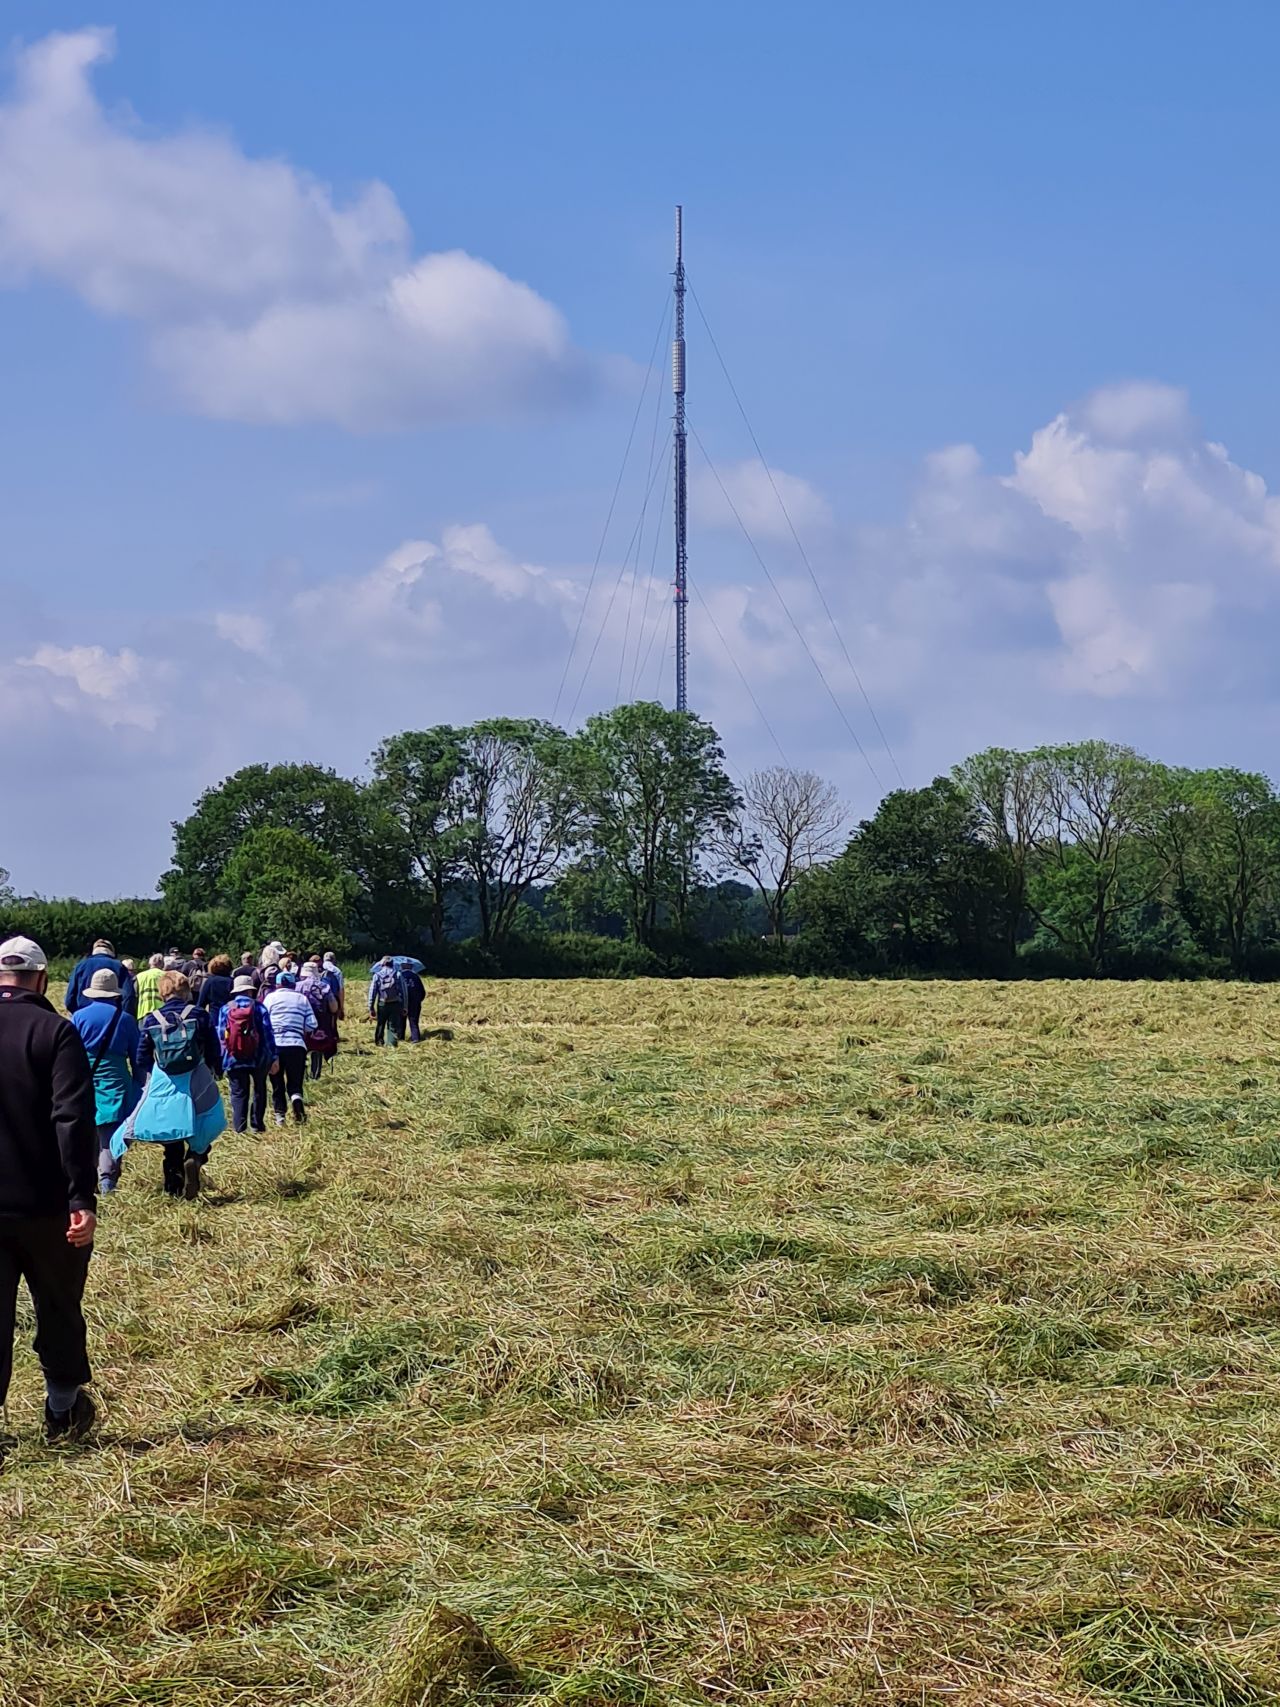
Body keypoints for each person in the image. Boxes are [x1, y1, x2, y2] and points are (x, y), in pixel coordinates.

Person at [0, 935, 98, 1442]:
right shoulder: (56, 1031)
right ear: (41, 979)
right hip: (47, 1206)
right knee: (59, 1305)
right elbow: (72, 1118)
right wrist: (82, 1196)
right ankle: (62, 1409)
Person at [117, 972, 224, 1199]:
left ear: (162, 993)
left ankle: (174, 1188)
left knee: (172, 1134)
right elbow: (214, 1046)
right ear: (186, 991)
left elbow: (141, 1057)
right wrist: (216, 1070)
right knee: (207, 1120)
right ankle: (195, 1157)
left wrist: (154, 1074)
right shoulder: (199, 1014)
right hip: (197, 1077)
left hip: (166, 1082)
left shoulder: (152, 1019)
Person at [69, 969, 142, 1195]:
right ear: (115, 993)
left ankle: (86, 1180)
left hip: (84, 1079)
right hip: (115, 1080)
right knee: (110, 1135)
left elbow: (69, 1052)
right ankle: (107, 1181)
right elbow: (138, 1058)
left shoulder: (78, 1017)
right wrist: (140, 1088)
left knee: (86, 1132)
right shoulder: (125, 1019)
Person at [217, 975, 278, 1134]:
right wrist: (273, 1057)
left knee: (239, 1093)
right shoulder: (259, 1007)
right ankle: (257, 1125)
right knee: (259, 1089)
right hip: (258, 1057)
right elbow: (267, 1034)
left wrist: (223, 1058)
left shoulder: (225, 1009)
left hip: (234, 1057)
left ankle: (240, 1128)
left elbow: (221, 1036)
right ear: (250, 991)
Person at [264, 972, 316, 1123]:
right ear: (293, 984)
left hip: (276, 1045)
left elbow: (263, 1022)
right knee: (295, 1081)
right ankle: (297, 1102)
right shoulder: (302, 999)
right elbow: (312, 1024)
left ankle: (280, 1116)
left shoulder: (270, 998)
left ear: (277, 984)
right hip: (296, 1045)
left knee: (277, 1082)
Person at [65, 937, 136, 1018]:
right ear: (112, 951)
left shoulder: (80, 966)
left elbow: (70, 998)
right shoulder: (119, 966)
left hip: (84, 1015)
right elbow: (128, 996)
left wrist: (78, 1014)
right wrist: (124, 1017)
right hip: (113, 1017)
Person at [299, 960, 339, 1080]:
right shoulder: (324, 987)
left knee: (302, 1049)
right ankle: (315, 1075)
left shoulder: (297, 986)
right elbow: (334, 1007)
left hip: (301, 1022)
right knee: (317, 1048)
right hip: (320, 1022)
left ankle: (302, 1075)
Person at [368, 956, 408, 1047]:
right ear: (392, 964)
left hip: (382, 1003)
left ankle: (379, 1043)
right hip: (395, 1003)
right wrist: (405, 1006)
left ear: (382, 964)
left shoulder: (377, 975)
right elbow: (404, 991)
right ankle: (392, 1044)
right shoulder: (398, 974)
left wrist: (371, 1007)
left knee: (380, 1024)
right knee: (393, 1025)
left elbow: (372, 992)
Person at [197, 954, 234, 1020]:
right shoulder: (232, 981)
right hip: (230, 1018)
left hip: (214, 1018)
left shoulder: (210, 981)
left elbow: (201, 1004)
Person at [134, 953, 165, 1019]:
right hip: (162, 1011)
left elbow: (135, 994)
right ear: (162, 964)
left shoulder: (139, 976)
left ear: (150, 963)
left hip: (143, 1012)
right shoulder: (166, 975)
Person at [404, 966, 426, 1043]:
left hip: (403, 1003)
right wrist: (418, 1000)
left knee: (401, 1021)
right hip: (415, 1003)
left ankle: (400, 1038)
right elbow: (422, 991)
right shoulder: (416, 976)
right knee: (413, 1021)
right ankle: (415, 1038)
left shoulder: (400, 976)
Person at [321, 952, 346, 1019]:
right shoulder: (337, 971)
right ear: (334, 960)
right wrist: (341, 1007)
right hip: (333, 1000)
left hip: (320, 999)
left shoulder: (319, 968)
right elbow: (341, 990)